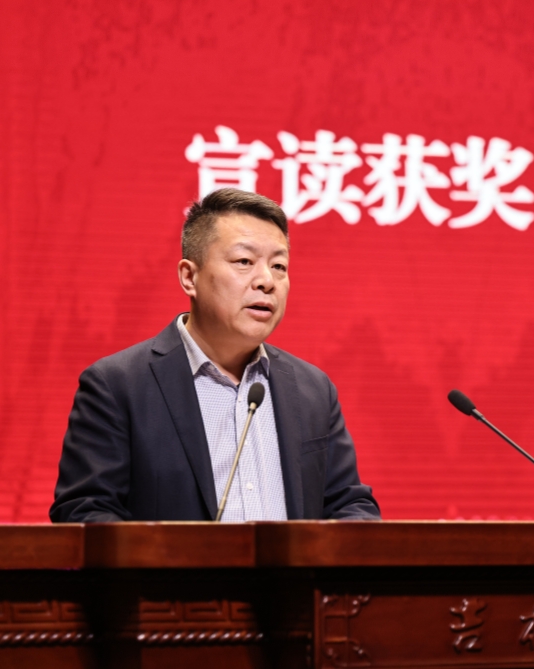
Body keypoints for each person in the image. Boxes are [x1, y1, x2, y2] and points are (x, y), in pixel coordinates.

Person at [50, 188, 380, 522]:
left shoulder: (312, 389)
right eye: (244, 262)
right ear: (189, 277)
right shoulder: (118, 385)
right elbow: (85, 511)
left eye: (279, 266)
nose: (267, 281)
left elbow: (350, 504)